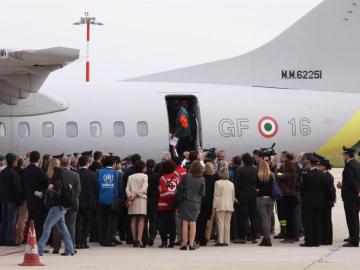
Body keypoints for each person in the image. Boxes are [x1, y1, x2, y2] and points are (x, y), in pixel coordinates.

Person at [37, 162, 75, 256]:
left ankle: (39, 248)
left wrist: (50, 190)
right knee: (63, 228)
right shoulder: (59, 179)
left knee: (47, 226)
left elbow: (58, 194)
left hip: (56, 208)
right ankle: (70, 249)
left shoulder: (56, 181)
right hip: (61, 207)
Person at [52, 156, 81, 254]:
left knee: (57, 226)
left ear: (60, 163)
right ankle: (71, 246)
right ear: (69, 163)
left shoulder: (56, 174)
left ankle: (56, 247)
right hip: (71, 204)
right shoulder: (75, 175)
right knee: (71, 226)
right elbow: (78, 191)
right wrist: (71, 199)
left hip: (59, 203)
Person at [337, 146, 360, 247]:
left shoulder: (349, 166)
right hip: (356, 196)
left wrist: (342, 186)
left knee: (351, 218)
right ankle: (354, 236)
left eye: (344, 155)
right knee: (355, 217)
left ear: (347, 155)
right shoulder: (357, 164)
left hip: (350, 196)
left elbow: (351, 182)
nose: (343, 157)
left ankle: (354, 240)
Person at [97, 156, 123, 246]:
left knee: (102, 220)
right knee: (111, 221)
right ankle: (108, 240)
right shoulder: (117, 173)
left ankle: (101, 239)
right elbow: (120, 187)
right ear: (113, 164)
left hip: (101, 199)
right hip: (113, 200)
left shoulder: (99, 172)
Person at [300, 155, 325, 247]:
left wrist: (302, 195)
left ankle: (309, 241)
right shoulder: (321, 174)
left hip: (308, 201)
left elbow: (302, 188)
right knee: (317, 221)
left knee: (308, 221)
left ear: (310, 163)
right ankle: (317, 241)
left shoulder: (308, 175)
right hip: (319, 201)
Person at [23, 151, 49, 240]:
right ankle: (38, 242)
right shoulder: (40, 171)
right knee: (39, 224)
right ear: (38, 159)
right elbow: (47, 184)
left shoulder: (25, 170)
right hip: (39, 201)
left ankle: (30, 239)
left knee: (31, 222)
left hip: (29, 201)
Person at [179, 161, 205, 250]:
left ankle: (184, 243)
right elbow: (202, 193)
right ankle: (191, 243)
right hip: (196, 203)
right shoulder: (202, 179)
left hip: (185, 201)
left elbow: (179, 187)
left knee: (185, 222)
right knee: (193, 223)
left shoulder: (186, 176)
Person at [234, 153, 259, 244]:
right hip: (254, 196)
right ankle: (254, 237)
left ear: (243, 161)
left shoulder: (241, 170)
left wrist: (237, 196)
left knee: (243, 217)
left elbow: (237, 184)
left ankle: (243, 236)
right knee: (253, 218)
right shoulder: (255, 169)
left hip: (244, 197)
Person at [75, 156, 98, 249]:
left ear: (78, 163)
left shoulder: (75, 173)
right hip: (89, 202)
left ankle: (77, 241)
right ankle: (84, 241)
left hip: (78, 201)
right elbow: (96, 189)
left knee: (78, 222)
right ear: (87, 163)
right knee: (88, 222)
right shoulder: (92, 174)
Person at [0, 153, 22, 246]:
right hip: (11, 200)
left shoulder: (2, 172)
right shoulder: (14, 173)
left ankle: (1, 239)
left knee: (3, 219)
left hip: (2, 199)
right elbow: (16, 189)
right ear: (13, 161)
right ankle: (9, 239)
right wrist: (19, 201)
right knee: (11, 220)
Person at [157, 160, 180, 248]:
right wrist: (173, 197)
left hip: (163, 205)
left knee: (163, 224)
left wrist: (168, 195)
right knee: (172, 223)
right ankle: (172, 241)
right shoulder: (176, 178)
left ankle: (164, 241)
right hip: (173, 204)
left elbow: (162, 193)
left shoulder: (162, 178)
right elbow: (177, 191)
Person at [126, 160, 148, 248]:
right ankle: (139, 239)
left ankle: (134, 240)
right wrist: (135, 196)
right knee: (141, 219)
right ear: (142, 168)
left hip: (132, 199)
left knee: (133, 219)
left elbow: (127, 189)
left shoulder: (130, 177)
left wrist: (130, 197)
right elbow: (144, 188)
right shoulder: (144, 176)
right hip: (141, 199)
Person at [213, 167, 235, 247]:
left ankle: (220, 240)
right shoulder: (231, 184)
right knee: (227, 224)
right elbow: (233, 197)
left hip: (220, 205)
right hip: (229, 205)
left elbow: (216, 196)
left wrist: (214, 206)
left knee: (220, 223)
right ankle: (227, 240)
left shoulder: (217, 183)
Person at [276, 159, 297, 243]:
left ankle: (289, 237)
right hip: (292, 196)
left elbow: (277, 175)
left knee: (288, 217)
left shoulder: (286, 175)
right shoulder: (293, 174)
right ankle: (291, 236)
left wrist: (277, 168)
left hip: (287, 197)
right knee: (291, 217)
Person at [197, 162, 217, 246]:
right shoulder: (214, 178)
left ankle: (197, 237)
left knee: (199, 220)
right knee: (206, 221)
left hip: (200, 201)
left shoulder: (201, 177)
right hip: (209, 202)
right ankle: (204, 239)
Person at [256, 160, 275, 247]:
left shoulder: (258, 176)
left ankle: (267, 239)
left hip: (261, 199)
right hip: (271, 199)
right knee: (268, 218)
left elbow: (257, 189)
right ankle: (266, 238)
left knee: (264, 219)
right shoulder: (272, 175)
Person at [319, 159, 336, 245]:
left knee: (325, 221)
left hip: (325, 202)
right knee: (327, 221)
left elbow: (329, 190)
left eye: (320, 166)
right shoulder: (328, 175)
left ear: (324, 167)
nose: (319, 167)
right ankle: (328, 239)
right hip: (328, 202)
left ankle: (325, 239)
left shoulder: (325, 176)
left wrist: (330, 199)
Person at [145, 159, 159, 247]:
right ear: (154, 166)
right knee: (153, 220)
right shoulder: (156, 175)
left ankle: (145, 237)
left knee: (145, 219)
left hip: (145, 199)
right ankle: (152, 237)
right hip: (154, 200)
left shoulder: (144, 175)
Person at [15, 157, 27, 244]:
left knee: (13, 218)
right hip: (22, 198)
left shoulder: (13, 170)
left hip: (13, 198)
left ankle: (10, 237)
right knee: (22, 218)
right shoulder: (23, 172)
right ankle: (19, 238)